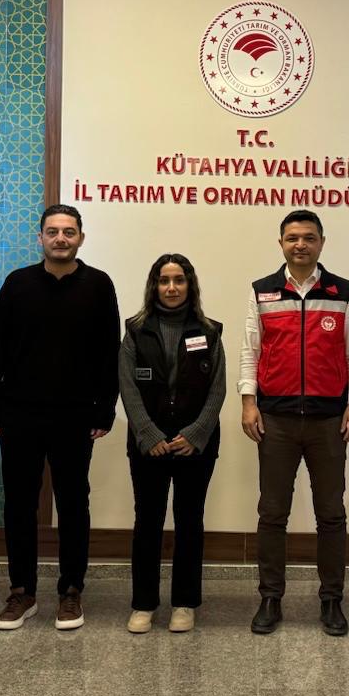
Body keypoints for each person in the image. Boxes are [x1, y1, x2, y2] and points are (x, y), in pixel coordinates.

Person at [0, 204, 119, 631]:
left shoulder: (99, 284)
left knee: (74, 503)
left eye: (69, 232)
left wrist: (105, 409)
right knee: (19, 504)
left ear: (81, 238)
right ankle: (22, 591)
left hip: (76, 416)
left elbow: (109, 352)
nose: (61, 238)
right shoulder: (18, 283)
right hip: (19, 413)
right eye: (53, 231)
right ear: (40, 238)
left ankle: (71, 590)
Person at [240, 209, 349, 637]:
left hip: (328, 420)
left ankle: (331, 599)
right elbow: (250, 351)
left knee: (331, 513)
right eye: (292, 238)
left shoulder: (342, 291)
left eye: (309, 237)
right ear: (281, 243)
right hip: (274, 419)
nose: (300, 244)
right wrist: (248, 403)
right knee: (272, 513)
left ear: (321, 243)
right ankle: (270, 598)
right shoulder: (262, 291)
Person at [118, 254, 226, 634]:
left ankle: (184, 602)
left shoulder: (209, 331)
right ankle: (143, 603)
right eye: (164, 280)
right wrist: (147, 434)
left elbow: (217, 389)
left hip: (195, 445)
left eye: (179, 280)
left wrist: (196, 434)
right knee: (147, 522)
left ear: (189, 285)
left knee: (189, 521)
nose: (171, 287)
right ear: (154, 285)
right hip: (148, 444)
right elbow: (128, 386)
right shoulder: (136, 331)